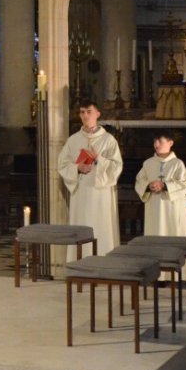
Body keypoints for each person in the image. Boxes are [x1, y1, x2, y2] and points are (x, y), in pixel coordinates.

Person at [57, 99, 123, 259]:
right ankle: (80, 264)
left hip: (100, 193)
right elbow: (62, 165)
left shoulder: (108, 140)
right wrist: (77, 168)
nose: (85, 115)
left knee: (101, 228)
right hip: (81, 194)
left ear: (98, 114)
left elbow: (117, 167)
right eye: (82, 112)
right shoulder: (73, 140)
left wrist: (99, 159)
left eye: (89, 112)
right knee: (81, 227)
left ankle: (103, 265)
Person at [135, 130, 186, 237]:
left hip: (171, 208)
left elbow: (185, 184)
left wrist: (164, 185)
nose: (156, 144)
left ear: (170, 143)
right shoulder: (148, 163)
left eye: (160, 141)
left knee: (172, 234)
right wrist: (148, 186)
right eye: (155, 141)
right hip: (153, 206)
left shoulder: (177, 164)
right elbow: (139, 180)